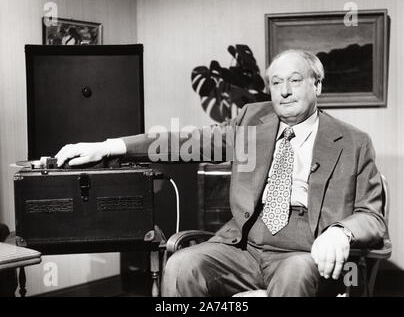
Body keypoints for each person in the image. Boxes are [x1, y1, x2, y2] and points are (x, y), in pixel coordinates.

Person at [55, 49, 387, 297]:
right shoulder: (252, 122)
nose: (284, 91)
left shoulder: (352, 142)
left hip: (303, 252)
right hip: (244, 247)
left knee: (296, 274)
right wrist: (111, 146)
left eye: (295, 81)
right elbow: (187, 141)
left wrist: (341, 232)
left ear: (317, 85)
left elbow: (371, 215)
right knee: (182, 266)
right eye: (276, 82)